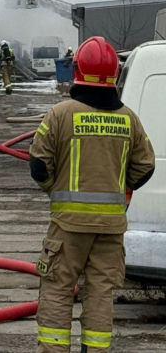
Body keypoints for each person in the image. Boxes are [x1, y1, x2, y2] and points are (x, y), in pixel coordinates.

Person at [29, 36, 155, 352]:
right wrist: (119, 188)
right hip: (110, 228)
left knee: (57, 289)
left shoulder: (59, 115)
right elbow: (146, 167)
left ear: (78, 70)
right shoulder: (129, 119)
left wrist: (55, 191)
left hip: (68, 226)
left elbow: (39, 166)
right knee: (100, 292)